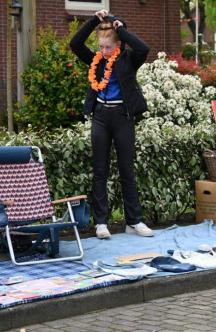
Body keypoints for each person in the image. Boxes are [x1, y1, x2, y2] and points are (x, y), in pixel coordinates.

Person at [70, 10, 153, 239]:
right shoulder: (96, 62)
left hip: (122, 117)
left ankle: (134, 221)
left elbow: (143, 48)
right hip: (101, 117)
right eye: (101, 47)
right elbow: (75, 44)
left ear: (118, 45)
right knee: (100, 170)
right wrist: (94, 21)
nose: (104, 52)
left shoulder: (128, 60)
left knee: (127, 170)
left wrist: (121, 30)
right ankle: (101, 223)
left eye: (108, 47)